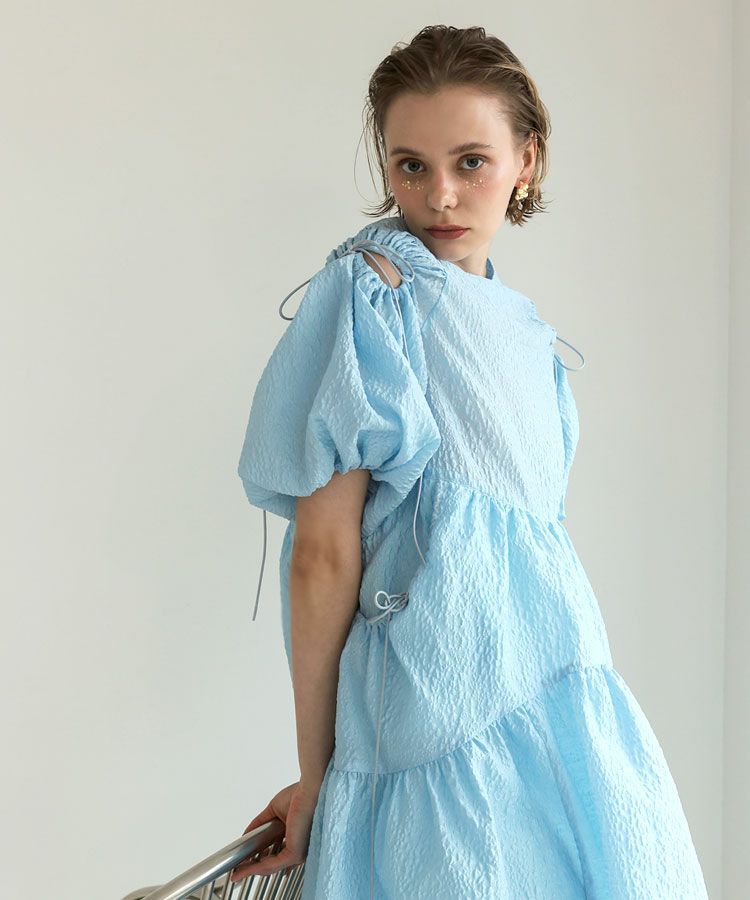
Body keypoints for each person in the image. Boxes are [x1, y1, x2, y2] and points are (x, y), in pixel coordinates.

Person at [231, 24, 709, 900]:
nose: (439, 195)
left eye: (471, 162)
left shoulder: (527, 331)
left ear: (528, 160)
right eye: (410, 165)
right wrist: (319, 779)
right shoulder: (372, 293)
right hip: (431, 723)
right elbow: (324, 554)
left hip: (555, 693)